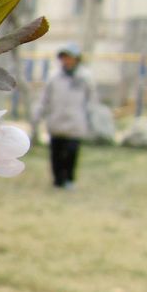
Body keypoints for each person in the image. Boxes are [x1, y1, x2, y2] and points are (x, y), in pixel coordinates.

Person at [33, 43, 96, 189]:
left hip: (75, 122)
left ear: (76, 59)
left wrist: (91, 119)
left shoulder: (85, 77)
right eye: (64, 58)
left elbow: (91, 100)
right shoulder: (53, 77)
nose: (67, 61)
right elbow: (44, 98)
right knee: (56, 153)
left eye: (69, 57)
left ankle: (69, 179)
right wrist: (38, 115)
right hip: (56, 121)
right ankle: (58, 180)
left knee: (72, 153)